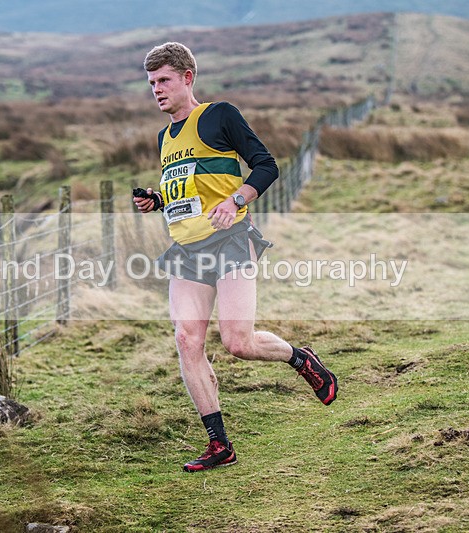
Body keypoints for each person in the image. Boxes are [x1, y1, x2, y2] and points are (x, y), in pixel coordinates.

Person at [133, 42, 337, 473]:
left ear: (187, 78)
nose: (157, 89)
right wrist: (158, 199)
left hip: (229, 242)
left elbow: (266, 165)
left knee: (237, 343)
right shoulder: (164, 137)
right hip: (186, 250)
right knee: (187, 340)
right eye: (151, 83)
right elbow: (186, 194)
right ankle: (218, 444)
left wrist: (236, 199)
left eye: (164, 80)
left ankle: (300, 359)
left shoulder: (219, 115)